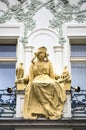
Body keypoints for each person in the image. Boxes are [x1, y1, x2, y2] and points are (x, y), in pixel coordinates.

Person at [23, 46, 66, 120]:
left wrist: (60, 77)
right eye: (40, 53)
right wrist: (25, 82)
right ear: (37, 55)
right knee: (34, 84)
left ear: (45, 55)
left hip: (47, 78)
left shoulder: (49, 63)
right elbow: (31, 76)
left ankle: (50, 106)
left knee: (53, 84)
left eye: (43, 53)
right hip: (37, 79)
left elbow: (52, 75)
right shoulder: (33, 64)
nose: (41, 55)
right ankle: (45, 106)